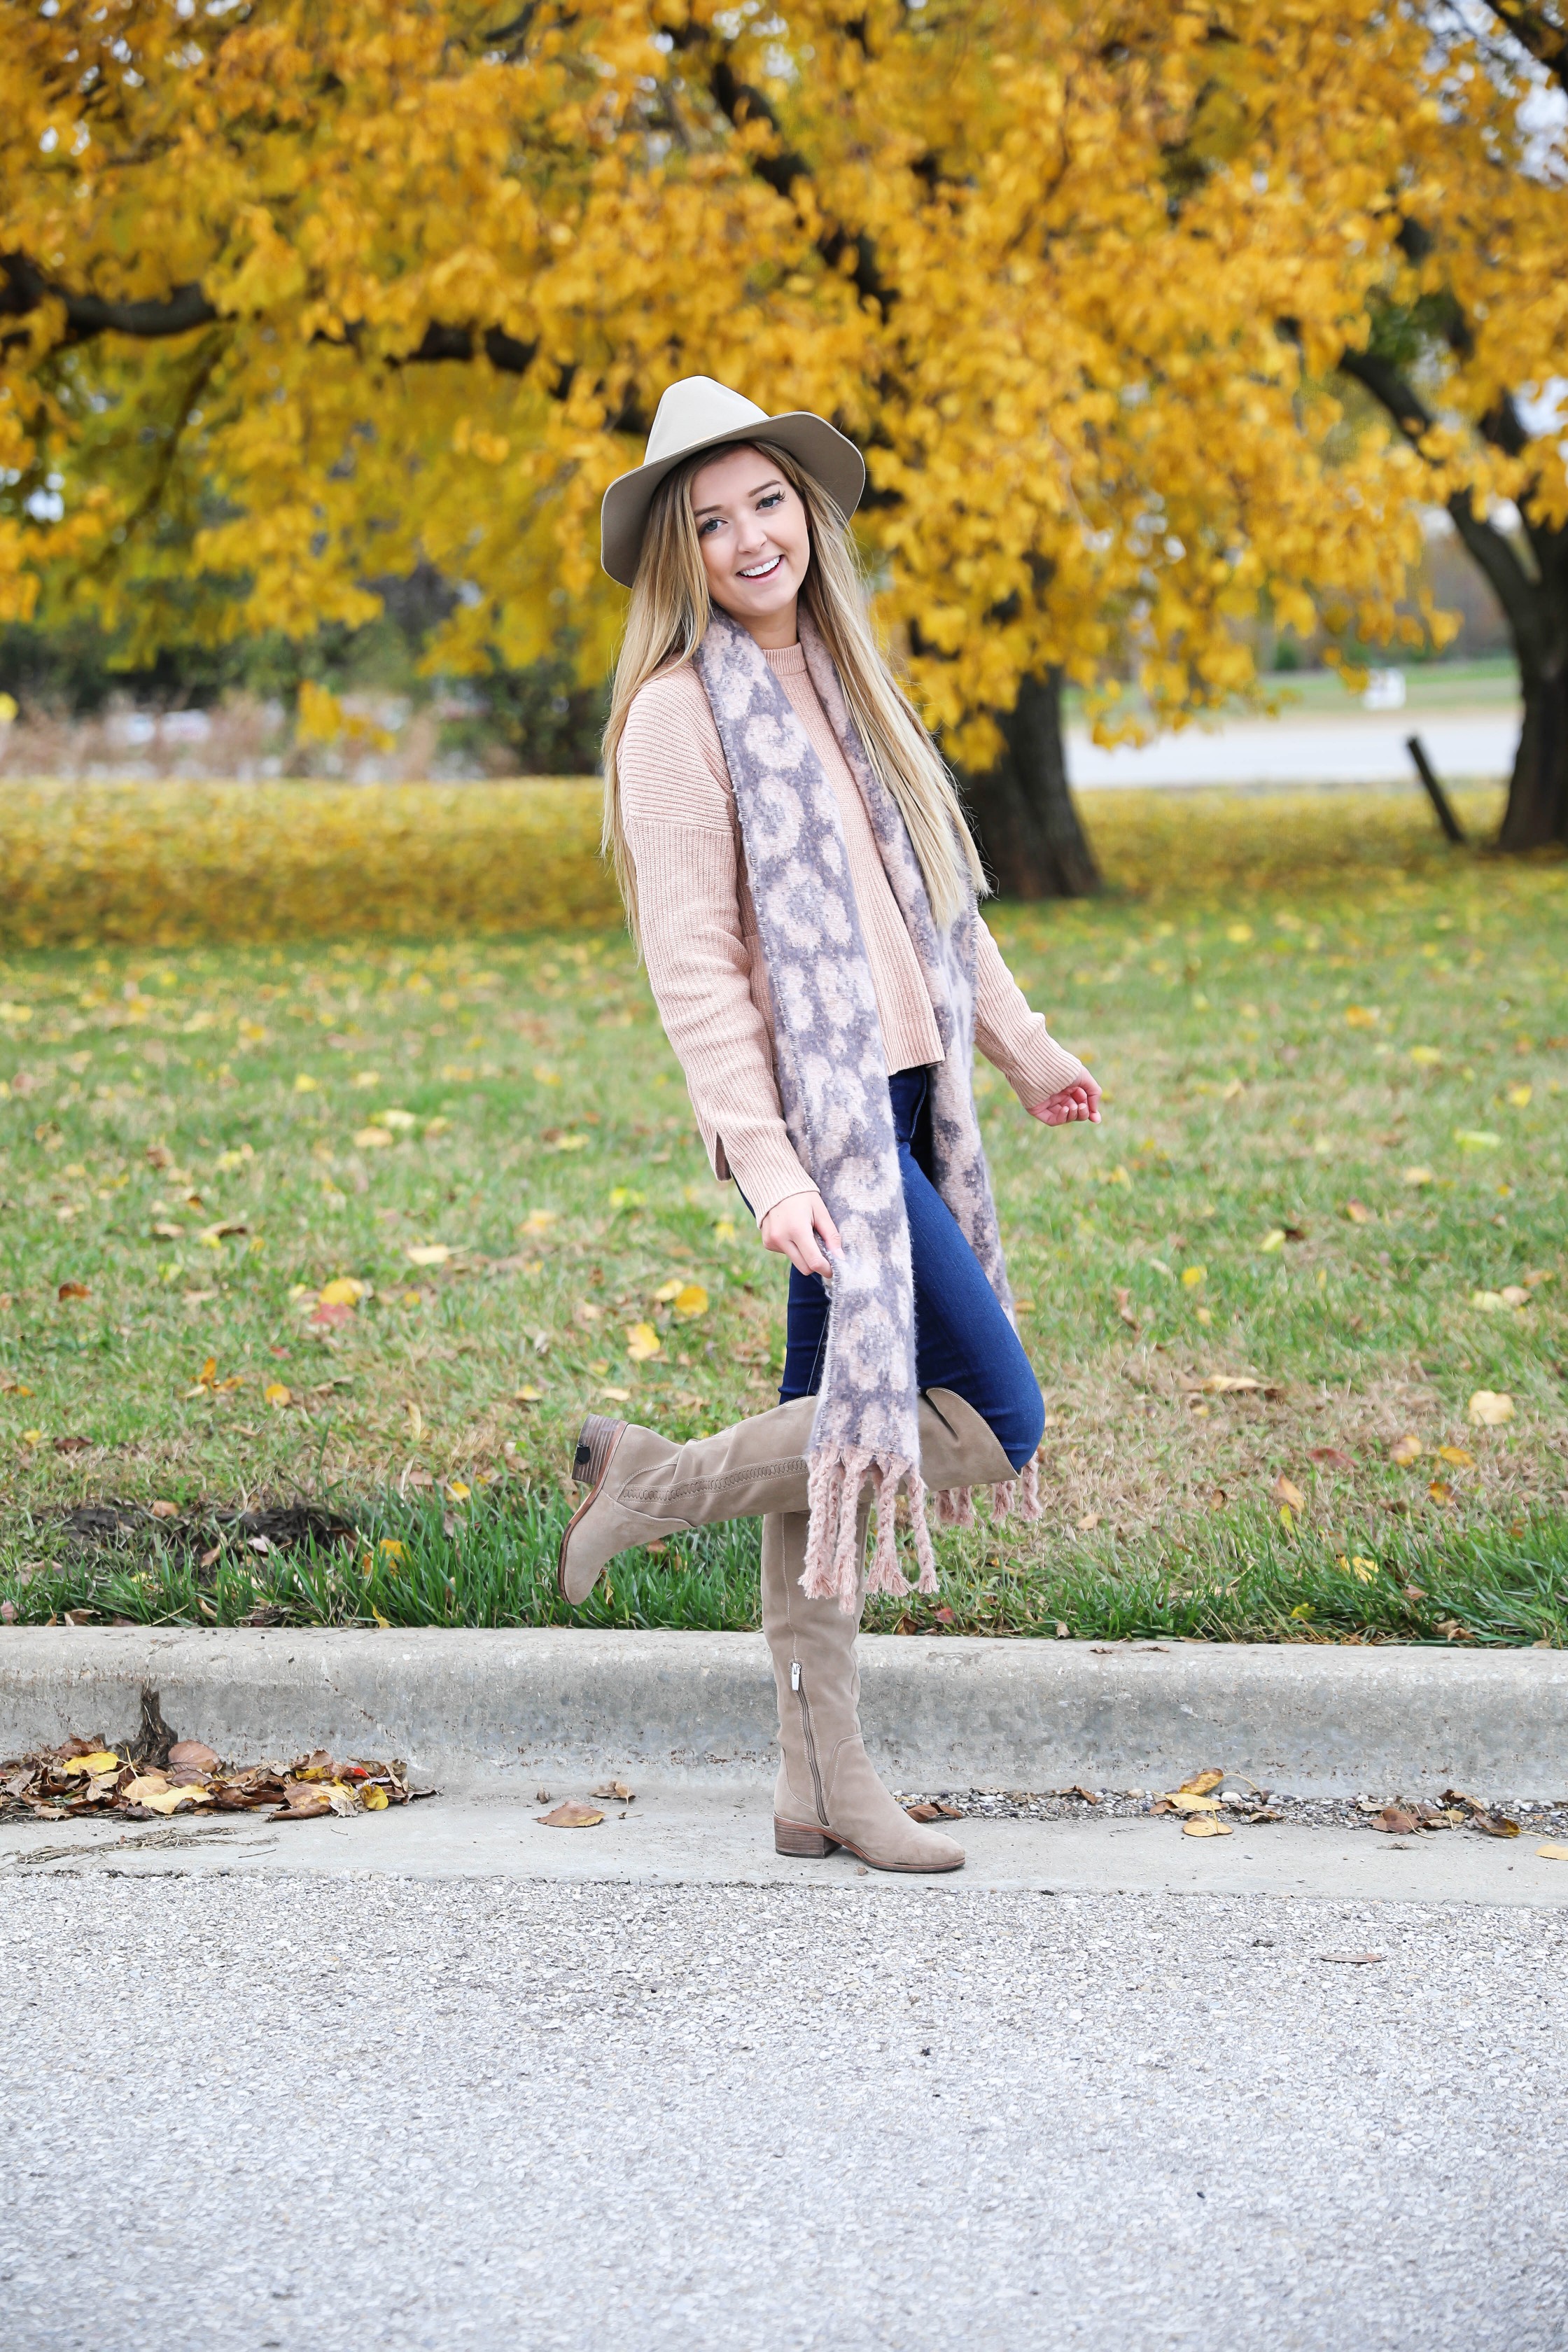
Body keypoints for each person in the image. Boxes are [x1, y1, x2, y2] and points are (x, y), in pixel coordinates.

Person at [559, 376, 1101, 1874]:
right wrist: (764, 1159)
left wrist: (1025, 1045)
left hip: (911, 1109)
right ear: (679, 549)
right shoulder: (675, 719)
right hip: (826, 1131)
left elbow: (943, 901)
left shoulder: (853, 684)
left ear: (809, 513)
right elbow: (693, 968)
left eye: (768, 504)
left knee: (835, 1462)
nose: (748, 539)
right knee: (993, 1422)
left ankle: (820, 1786)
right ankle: (655, 1483)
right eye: (711, 519)